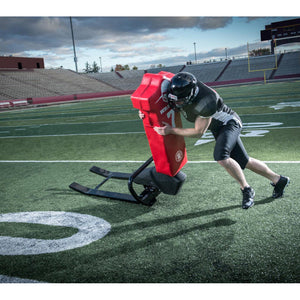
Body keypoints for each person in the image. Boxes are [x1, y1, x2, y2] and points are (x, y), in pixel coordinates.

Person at [139, 72, 290, 209]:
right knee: (243, 160)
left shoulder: (206, 101)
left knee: (222, 157)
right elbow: (160, 102)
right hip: (218, 127)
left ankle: (246, 189)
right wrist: (146, 113)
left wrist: (170, 130)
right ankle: (279, 180)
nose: (176, 104)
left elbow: (198, 132)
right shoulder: (179, 89)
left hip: (229, 123)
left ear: (191, 95)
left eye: (180, 101)